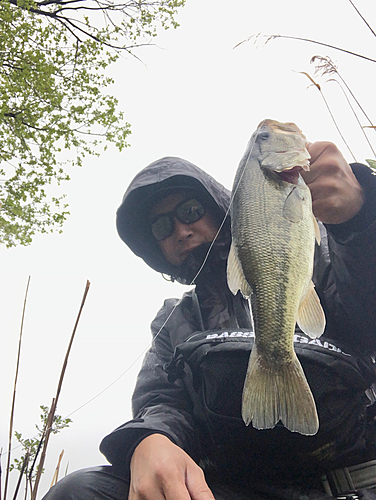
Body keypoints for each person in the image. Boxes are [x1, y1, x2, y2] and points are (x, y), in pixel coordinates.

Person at [43, 140, 376, 500]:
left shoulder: (320, 254)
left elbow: (365, 305)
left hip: (355, 479)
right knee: (78, 492)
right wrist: (149, 438)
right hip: (234, 488)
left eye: (189, 210)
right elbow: (162, 400)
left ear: (220, 207)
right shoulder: (175, 320)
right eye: (160, 227)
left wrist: (359, 219)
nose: (180, 230)